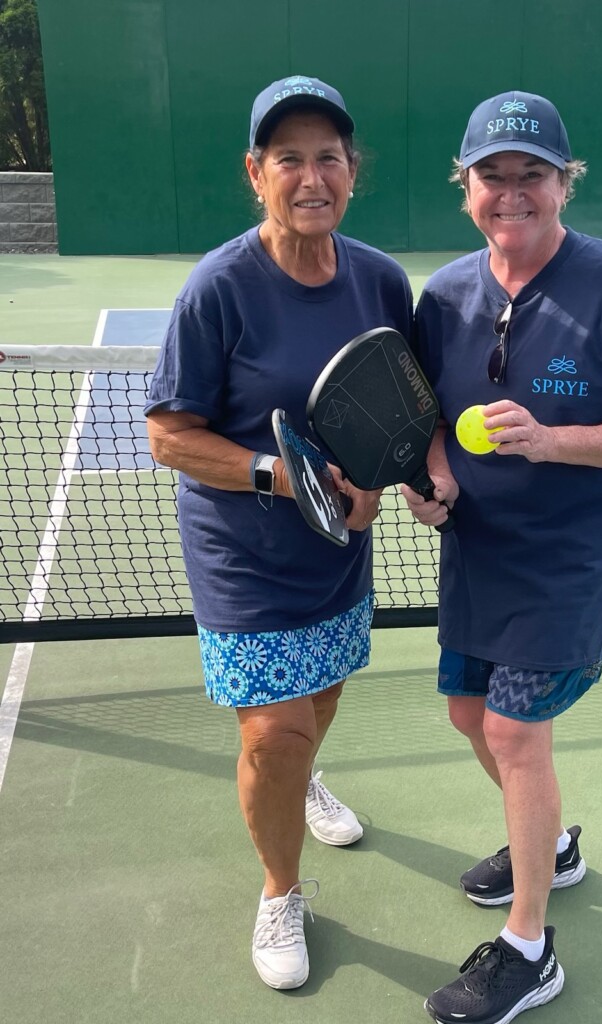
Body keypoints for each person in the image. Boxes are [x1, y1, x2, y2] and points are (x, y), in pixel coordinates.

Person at [401, 91, 602, 1024]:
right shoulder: (444, 296)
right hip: (478, 554)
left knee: (516, 735)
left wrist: (552, 440)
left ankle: (529, 948)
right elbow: (426, 425)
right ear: (466, 187)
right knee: (466, 716)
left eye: (534, 174)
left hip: (571, 561)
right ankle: (555, 849)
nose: (512, 192)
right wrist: (429, 475)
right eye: (493, 175)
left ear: (567, 183)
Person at [144, 75, 413, 991]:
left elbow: (395, 407)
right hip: (243, 555)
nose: (311, 176)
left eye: (328, 157)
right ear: (254, 172)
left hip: (338, 546)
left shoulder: (379, 278)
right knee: (273, 733)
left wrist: (372, 487)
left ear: (351, 173)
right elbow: (169, 435)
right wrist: (275, 475)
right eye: (288, 158)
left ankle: (306, 781)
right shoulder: (218, 287)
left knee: (321, 697)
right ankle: (280, 888)